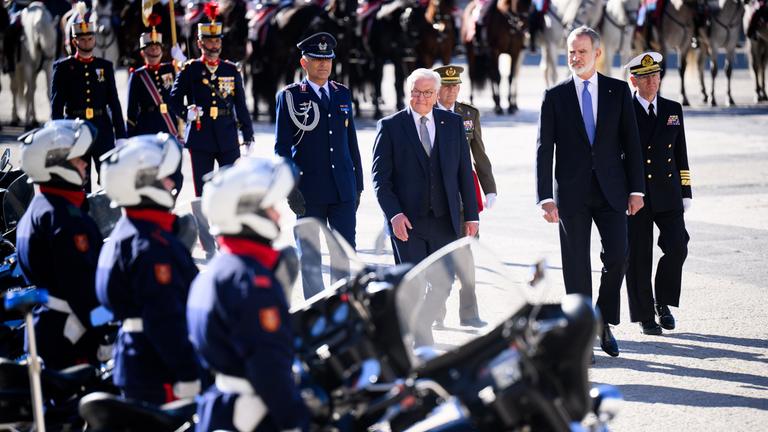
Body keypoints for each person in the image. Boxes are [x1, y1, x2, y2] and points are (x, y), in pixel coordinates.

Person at [535, 26, 645, 358]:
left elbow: (632, 143)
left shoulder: (617, 91)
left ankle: (602, 318)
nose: (574, 57)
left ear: (597, 53)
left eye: (581, 51)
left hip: (613, 190)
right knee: (575, 265)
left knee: (618, 256)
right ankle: (582, 336)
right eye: (570, 51)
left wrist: (637, 189)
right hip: (571, 194)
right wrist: (545, 197)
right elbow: (544, 149)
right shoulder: (554, 95)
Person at [187, 157, 310, 432]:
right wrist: (295, 421)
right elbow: (269, 369)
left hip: (221, 409)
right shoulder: (252, 283)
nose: (278, 215)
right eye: (270, 208)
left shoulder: (217, 270)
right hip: (254, 416)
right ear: (246, 213)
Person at [372, 68, 479, 342]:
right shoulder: (391, 126)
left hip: (445, 220)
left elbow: (464, 172)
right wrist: (394, 214)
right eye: (416, 92)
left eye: (427, 93)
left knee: (444, 282)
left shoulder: (453, 123)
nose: (420, 97)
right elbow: (380, 180)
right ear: (409, 93)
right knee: (413, 283)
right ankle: (421, 341)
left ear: (436, 95)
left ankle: (418, 326)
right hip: (408, 223)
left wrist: (472, 215)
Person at [95, 134, 201, 404]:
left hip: (139, 362)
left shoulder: (128, 231)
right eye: (164, 177)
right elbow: (164, 320)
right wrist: (189, 374)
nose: (171, 184)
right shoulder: (150, 246)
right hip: (158, 370)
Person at [274, 32, 364, 298]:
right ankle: (315, 310)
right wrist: (290, 188)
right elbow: (282, 147)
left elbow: (351, 142)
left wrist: (357, 184)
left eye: (328, 59)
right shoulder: (290, 97)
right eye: (316, 59)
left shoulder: (341, 93)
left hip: (342, 190)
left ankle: (343, 307)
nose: (323, 64)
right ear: (304, 63)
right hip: (309, 191)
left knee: (344, 254)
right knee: (311, 257)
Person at [16, 119, 104, 370]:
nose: (85, 163)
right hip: (72, 337)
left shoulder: (39, 207)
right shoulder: (64, 218)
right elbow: (84, 292)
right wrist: (107, 328)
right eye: (78, 159)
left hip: (50, 328)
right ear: (58, 165)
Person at [169, 1, 253, 258]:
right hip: (202, 138)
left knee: (231, 189)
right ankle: (208, 244)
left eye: (217, 41)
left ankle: (230, 238)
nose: (214, 46)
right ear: (200, 43)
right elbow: (173, 99)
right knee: (203, 193)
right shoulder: (191, 69)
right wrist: (187, 112)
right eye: (209, 42)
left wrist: (247, 134)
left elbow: (241, 103)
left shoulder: (231, 69)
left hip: (228, 137)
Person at [624, 52, 692, 335]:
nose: (652, 82)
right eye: (645, 77)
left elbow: (680, 153)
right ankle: (644, 315)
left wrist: (685, 190)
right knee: (639, 255)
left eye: (656, 76)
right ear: (633, 81)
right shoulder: (623, 110)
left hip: (668, 191)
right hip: (637, 195)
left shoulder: (672, 108)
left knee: (677, 245)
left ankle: (662, 302)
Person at [432, 64, 496, 328]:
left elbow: (478, 152)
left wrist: (489, 186)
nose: (451, 91)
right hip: (435, 196)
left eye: (455, 86)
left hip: (463, 194)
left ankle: (469, 313)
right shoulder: (426, 113)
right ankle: (435, 311)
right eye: (446, 86)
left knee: (466, 254)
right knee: (438, 258)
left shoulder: (468, 114)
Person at [51, 2, 126, 192]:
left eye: (90, 38)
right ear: (75, 41)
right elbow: (57, 104)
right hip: (76, 129)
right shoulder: (63, 68)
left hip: (102, 128)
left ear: (94, 39)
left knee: (109, 181)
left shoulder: (105, 66)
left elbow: (114, 102)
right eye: (82, 39)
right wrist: (59, 134)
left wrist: (121, 134)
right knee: (81, 183)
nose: (87, 42)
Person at [126, 15, 187, 138]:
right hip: (147, 127)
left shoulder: (171, 68)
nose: (154, 51)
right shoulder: (138, 75)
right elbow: (131, 111)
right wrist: (131, 135)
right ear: (143, 52)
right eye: (150, 48)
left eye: (157, 47)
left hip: (170, 125)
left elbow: (188, 81)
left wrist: (182, 60)